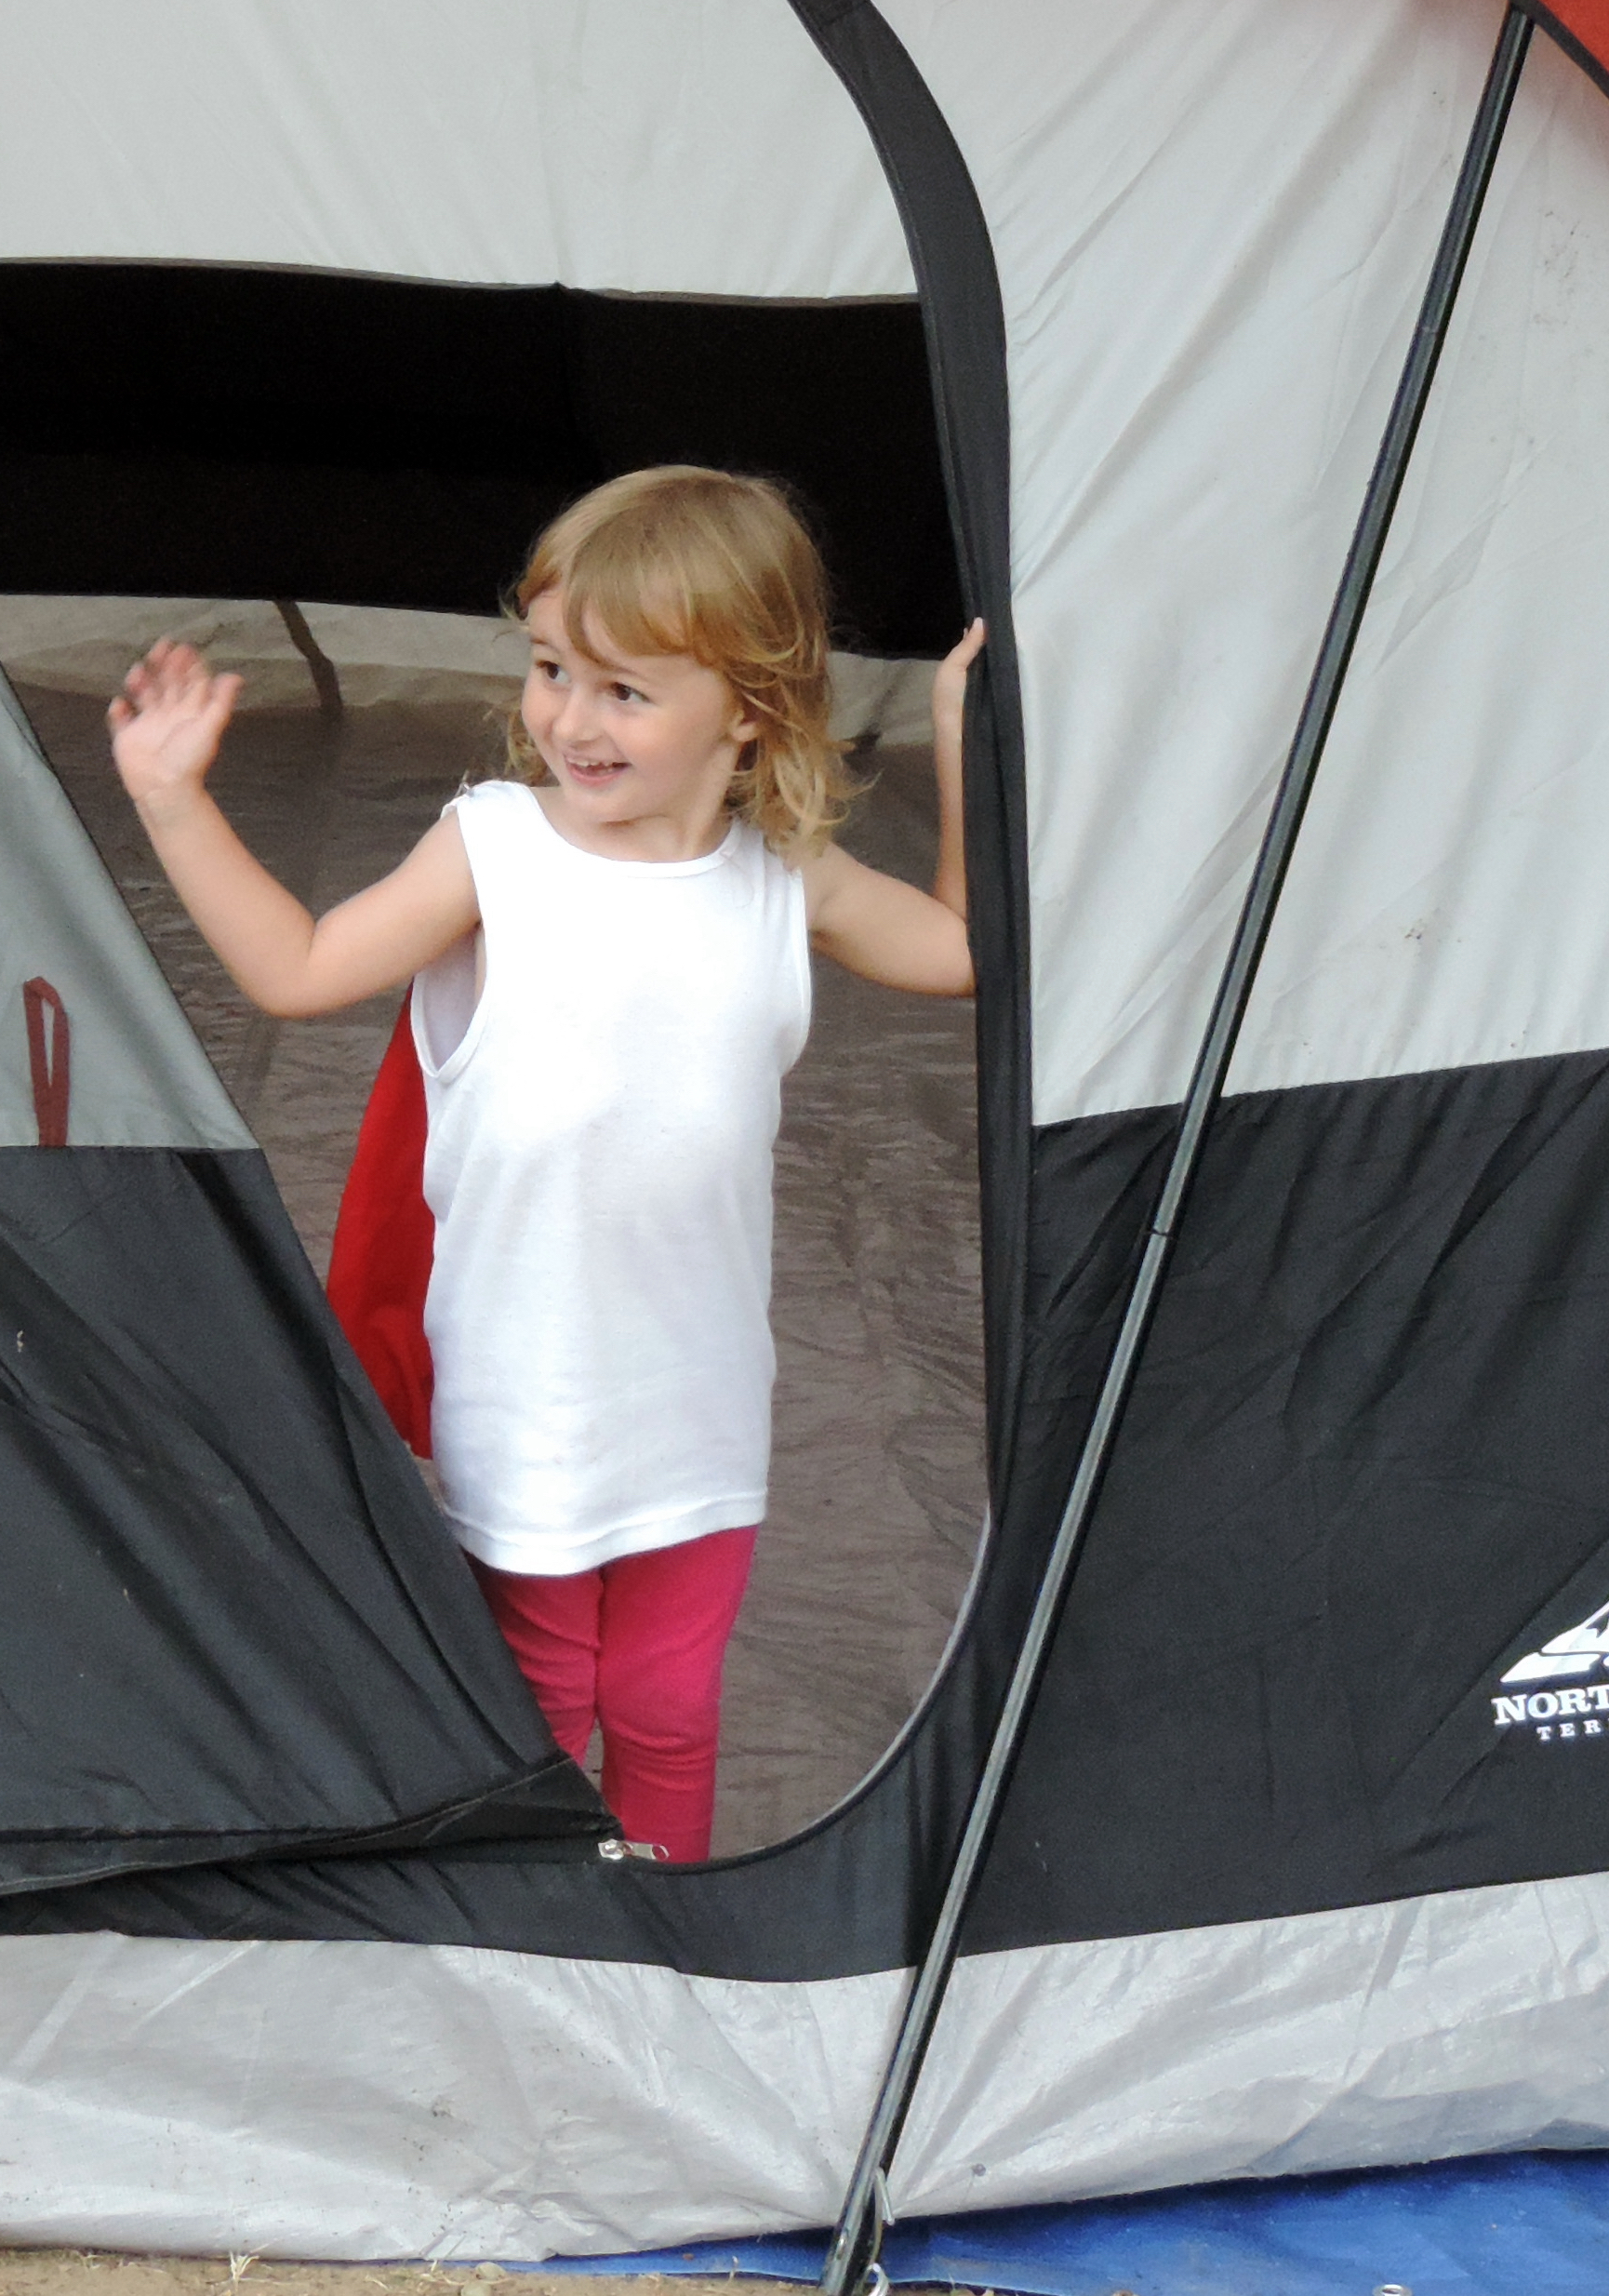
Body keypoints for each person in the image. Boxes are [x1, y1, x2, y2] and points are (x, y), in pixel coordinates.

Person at [108, 466, 983, 1862]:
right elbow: (296, 969)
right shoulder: (494, 850)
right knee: (544, 1697)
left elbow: (961, 951)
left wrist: (959, 736)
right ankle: (546, 1938)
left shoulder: (780, 880)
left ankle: (667, 1941)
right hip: (525, 1401)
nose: (570, 717)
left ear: (747, 706)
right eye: (550, 666)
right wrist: (171, 801)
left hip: (697, 1405)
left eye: (624, 690)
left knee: (667, 1700)